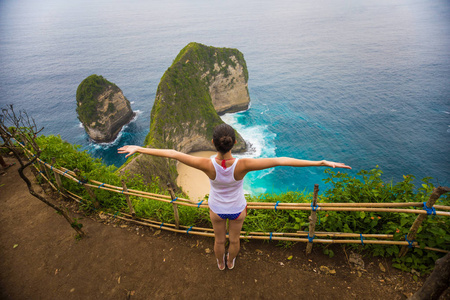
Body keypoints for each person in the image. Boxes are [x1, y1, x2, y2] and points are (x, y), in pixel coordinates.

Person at [118, 124, 351, 271]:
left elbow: (172, 153)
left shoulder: (205, 164)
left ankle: (220, 263)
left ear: (213, 143)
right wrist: (321, 162)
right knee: (235, 241)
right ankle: (231, 262)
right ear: (234, 143)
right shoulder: (245, 164)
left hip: (216, 209)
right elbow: (282, 160)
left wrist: (140, 149)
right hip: (238, 209)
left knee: (219, 241)